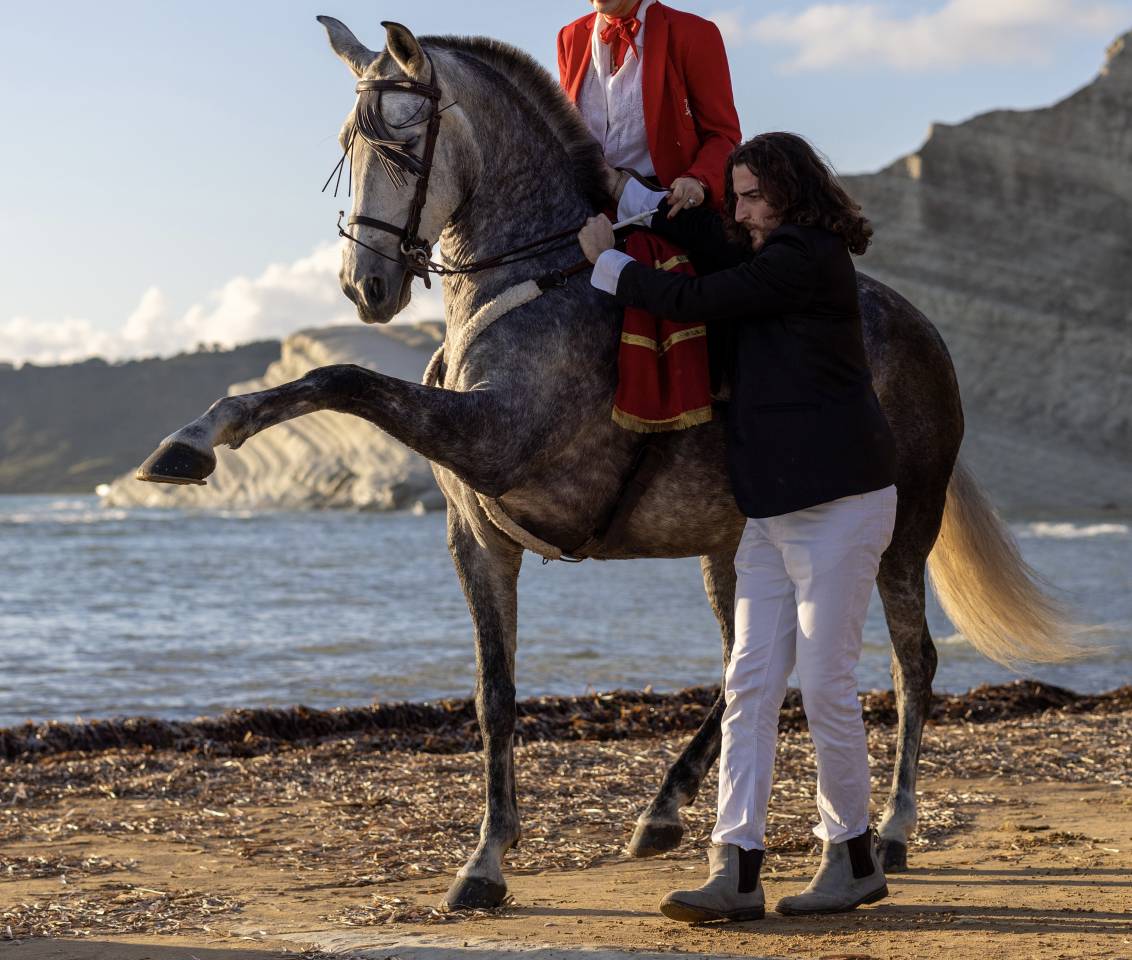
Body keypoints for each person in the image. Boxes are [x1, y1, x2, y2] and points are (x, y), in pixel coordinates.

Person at [577, 132, 899, 923]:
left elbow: (701, 298)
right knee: (749, 684)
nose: (743, 208)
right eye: (738, 193)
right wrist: (655, 206)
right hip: (769, 513)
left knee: (824, 686)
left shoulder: (809, 257)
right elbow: (715, 255)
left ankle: (852, 860)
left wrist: (608, 262)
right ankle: (736, 868)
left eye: (753, 194)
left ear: (790, 193)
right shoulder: (768, 254)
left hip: (841, 506)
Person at [557, 0, 741, 212]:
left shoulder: (694, 33)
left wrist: (698, 179)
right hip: (587, 208)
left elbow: (723, 135)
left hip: (663, 208)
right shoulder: (569, 37)